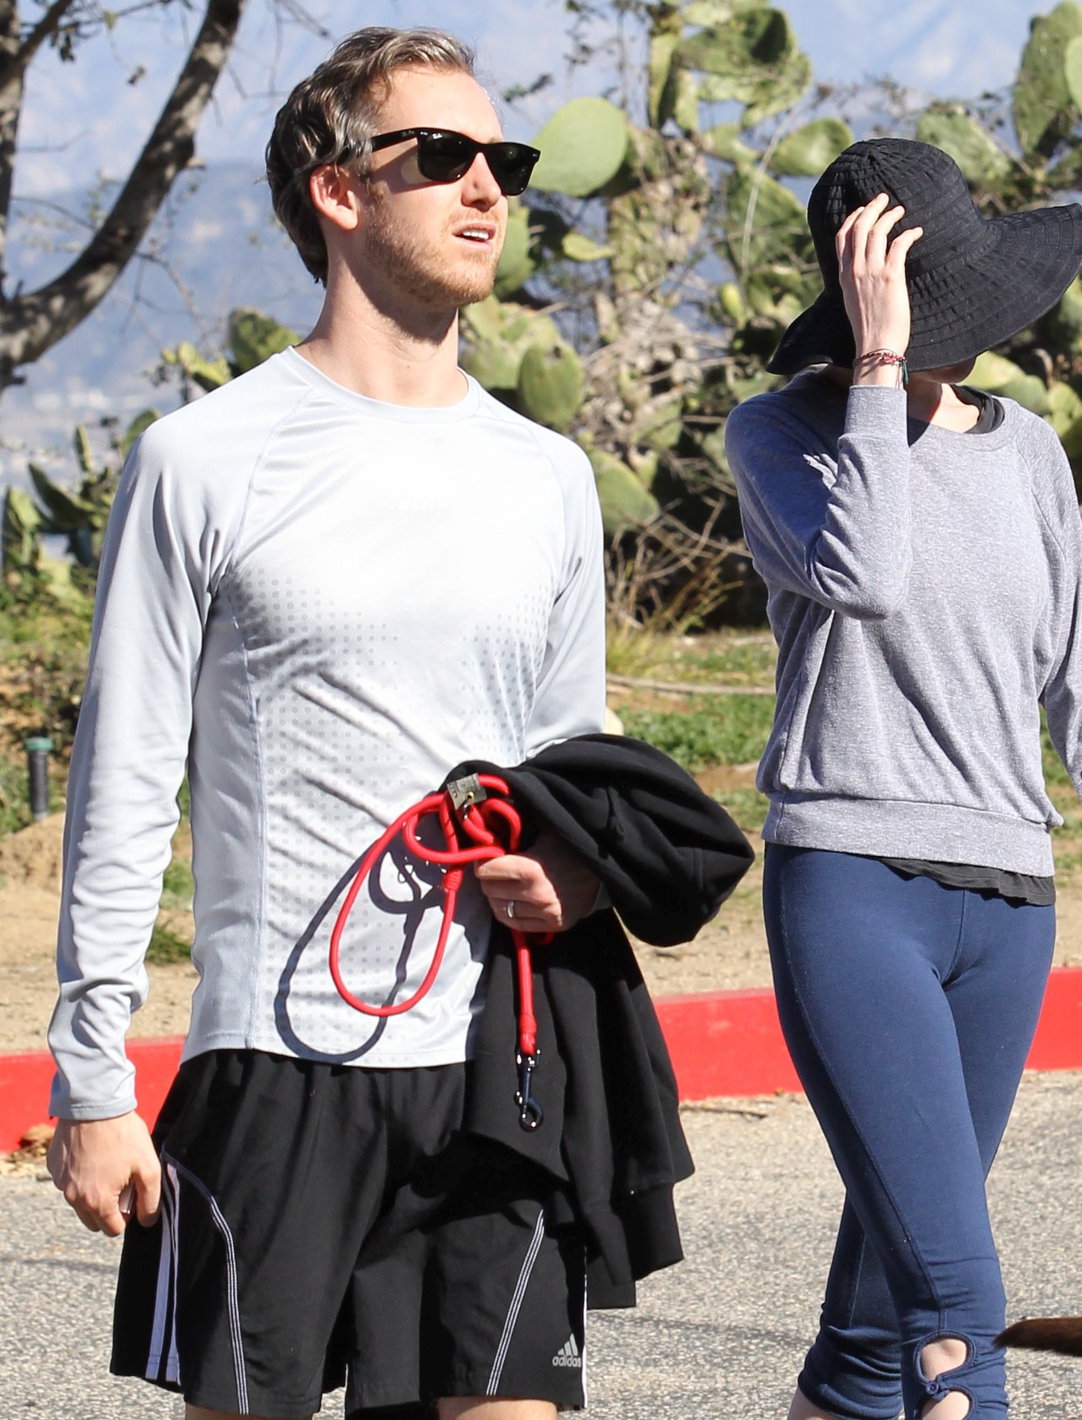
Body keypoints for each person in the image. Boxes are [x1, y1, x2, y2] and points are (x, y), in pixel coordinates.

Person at [46, 27, 610, 1420]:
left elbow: (573, 758)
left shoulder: (546, 477)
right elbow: (123, 784)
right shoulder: (201, 460)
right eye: (442, 156)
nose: (486, 187)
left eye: (505, 160)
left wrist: (572, 868)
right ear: (337, 191)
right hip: (273, 1074)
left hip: (496, 1062)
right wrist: (90, 1078)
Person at [724, 139, 1082, 1420]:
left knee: (877, 1311)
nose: (954, 330)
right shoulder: (781, 436)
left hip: (1009, 901)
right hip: (854, 886)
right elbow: (867, 572)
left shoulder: (1025, 451)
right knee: (958, 1303)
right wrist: (869, 369)